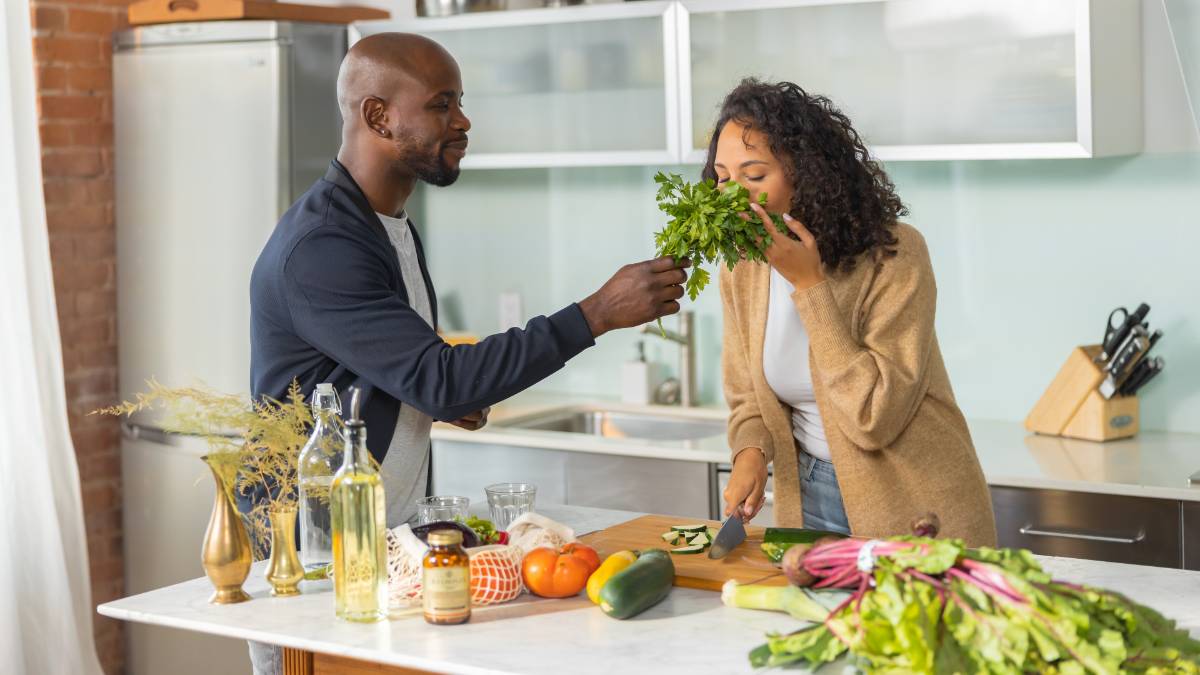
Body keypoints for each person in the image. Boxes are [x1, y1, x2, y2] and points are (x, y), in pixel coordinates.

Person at [246, 33, 687, 674]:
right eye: (442, 104)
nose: (463, 121)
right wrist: (596, 314)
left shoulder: (384, 224)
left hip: (380, 550)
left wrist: (433, 396)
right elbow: (439, 376)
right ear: (378, 116)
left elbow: (406, 368)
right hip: (311, 563)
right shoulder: (321, 247)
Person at [714, 79, 996, 547]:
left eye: (755, 176)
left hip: (914, 508)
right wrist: (750, 452)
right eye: (723, 177)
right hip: (803, 501)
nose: (732, 196)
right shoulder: (740, 266)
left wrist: (809, 286)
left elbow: (874, 417)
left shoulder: (895, 253)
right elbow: (747, 394)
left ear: (807, 174)